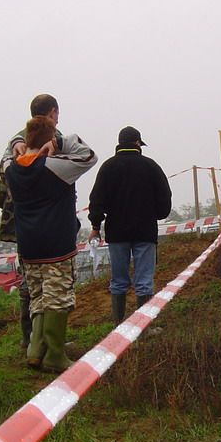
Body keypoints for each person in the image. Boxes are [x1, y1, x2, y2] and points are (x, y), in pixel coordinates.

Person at [3, 116, 97, 372]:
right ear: (50, 137)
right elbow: (88, 155)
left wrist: (17, 143)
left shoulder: (11, 168)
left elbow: (5, 156)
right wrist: (57, 142)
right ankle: (55, 354)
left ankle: (36, 348)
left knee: (38, 296)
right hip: (56, 242)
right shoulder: (54, 166)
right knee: (58, 297)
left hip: (28, 245)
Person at [0, 94, 62, 353]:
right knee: (42, 282)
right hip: (39, 221)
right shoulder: (26, 139)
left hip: (24, 220)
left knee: (33, 280)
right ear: (53, 112)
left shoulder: (18, 141)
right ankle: (34, 339)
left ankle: (36, 340)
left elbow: (4, 168)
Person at [88, 126, 172, 323]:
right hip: (145, 231)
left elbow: (97, 199)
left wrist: (95, 225)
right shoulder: (151, 166)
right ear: (137, 143)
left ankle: (118, 327)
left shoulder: (108, 167)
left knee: (118, 281)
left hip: (117, 232)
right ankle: (143, 328)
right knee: (144, 282)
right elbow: (165, 196)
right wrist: (158, 214)